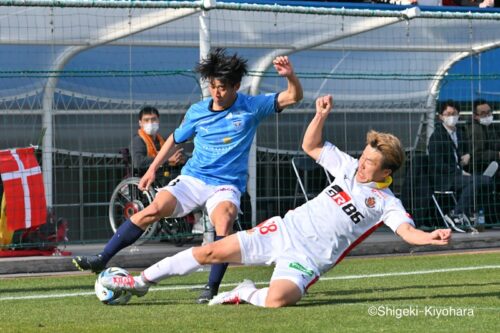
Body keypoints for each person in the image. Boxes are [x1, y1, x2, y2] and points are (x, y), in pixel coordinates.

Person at [100, 95, 452, 308]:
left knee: (278, 300)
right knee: (210, 251)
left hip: (308, 259)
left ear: (385, 170)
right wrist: (320, 115)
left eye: (370, 162)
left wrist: (429, 236)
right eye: (363, 156)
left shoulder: (387, 203)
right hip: (282, 231)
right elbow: (311, 147)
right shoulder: (346, 166)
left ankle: (243, 293)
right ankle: (139, 282)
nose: (361, 163)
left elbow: (407, 232)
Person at [72, 48, 303, 304]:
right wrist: (151, 170)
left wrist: (290, 76)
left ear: (236, 86)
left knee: (224, 222)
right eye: (213, 86)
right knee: (153, 209)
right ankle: (101, 259)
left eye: (223, 87)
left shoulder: (251, 106)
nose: (217, 92)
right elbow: (174, 138)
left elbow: (294, 96)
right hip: (193, 179)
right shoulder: (198, 111)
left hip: (226, 186)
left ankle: (211, 288)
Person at [428, 100, 492, 219]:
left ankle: (468, 214)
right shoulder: (436, 137)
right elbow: (438, 164)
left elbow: (465, 152)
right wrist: (459, 172)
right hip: (444, 178)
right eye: (448, 114)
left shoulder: (460, 133)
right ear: (441, 116)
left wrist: (468, 155)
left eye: (455, 113)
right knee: (477, 181)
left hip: (459, 175)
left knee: (484, 180)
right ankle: (457, 214)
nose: (452, 117)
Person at [131, 105, 185, 177]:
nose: (150, 123)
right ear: (140, 123)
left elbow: (173, 153)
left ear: (158, 120)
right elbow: (138, 162)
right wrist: (167, 160)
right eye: (146, 120)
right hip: (146, 177)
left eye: (153, 119)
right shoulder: (138, 140)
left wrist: (179, 157)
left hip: (163, 175)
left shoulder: (161, 140)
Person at [465, 99, 500, 175]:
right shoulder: (475, 129)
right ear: (475, 116)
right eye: (483, 113)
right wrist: (498, 154)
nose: (487, 115)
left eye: (489, 112)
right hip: (480, 169)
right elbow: (478, 154)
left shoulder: (489, 126)